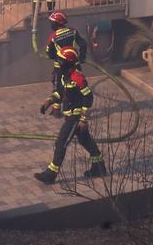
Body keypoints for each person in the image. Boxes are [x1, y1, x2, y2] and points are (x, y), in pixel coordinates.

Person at [35, 44, 106, 184]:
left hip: (75, 118)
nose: (59, 63)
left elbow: (88, 98)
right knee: (85, 140)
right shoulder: (65, 77)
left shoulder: (77, 79)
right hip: (71, 117)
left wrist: (83, 119)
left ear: (67, 63)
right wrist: (48, 102)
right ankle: (99, 166)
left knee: (61, 142)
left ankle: (51, 174)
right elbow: (61, 92)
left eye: (61, 61)